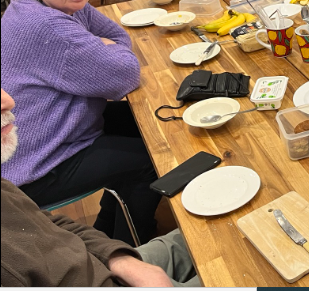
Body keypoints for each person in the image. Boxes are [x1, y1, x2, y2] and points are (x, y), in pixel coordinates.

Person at [1, 0, 159, 246]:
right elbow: (126, 73)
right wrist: (102, 53)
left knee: (150, 124)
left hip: (54, 128)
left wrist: (101, 51)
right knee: (152, 160)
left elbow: (117, 37)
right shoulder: (45, 25)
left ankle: (107, 226)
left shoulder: (50, 4)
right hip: (37, 163)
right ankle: (127, 249)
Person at [1, 88, 199, 287]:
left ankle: (116, 231)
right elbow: (124, 75)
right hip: (47, 168)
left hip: (97, 263)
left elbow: (48, 224)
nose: (9, 101)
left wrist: (119, 259)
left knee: (207, 232)